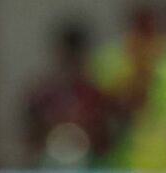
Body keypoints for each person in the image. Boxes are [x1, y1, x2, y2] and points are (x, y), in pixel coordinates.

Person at [91, 6, 166, 169]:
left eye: (149, 31)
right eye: (139, 30)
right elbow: (107, 109)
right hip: (122, 165)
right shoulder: (108, 61)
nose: (144, 40)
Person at [24, 22, 109, 167]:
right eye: (67, 56)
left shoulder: (95, 92)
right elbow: (30, 135)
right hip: (50, 162)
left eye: (75, 56)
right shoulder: (43, 92)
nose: (71, 61)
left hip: (89, 162)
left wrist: (85, 129)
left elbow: (106, 139)